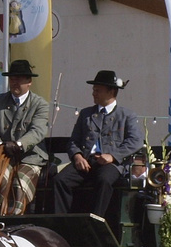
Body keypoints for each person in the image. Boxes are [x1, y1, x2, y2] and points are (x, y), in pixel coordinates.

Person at [52, 70, 145, 217]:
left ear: (111, 91)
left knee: (104, 179)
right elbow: (74, 141)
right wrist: (77, 156)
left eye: (98, 90)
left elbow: (136, 141)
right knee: (60, 180)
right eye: (94, 90)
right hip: (87, 161)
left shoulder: (127, 115)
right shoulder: (86, 114)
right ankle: (63, 220)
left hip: (111, 164)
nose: (93, 94)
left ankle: (97, 219)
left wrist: (112, 156)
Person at [0, 58, 50, 214]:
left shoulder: (39, 104)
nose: (14, 82)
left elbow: (37, 131)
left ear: (29, 81)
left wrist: (19, 144)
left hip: (29, 156)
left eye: (19, 79)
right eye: (12, 78)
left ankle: (15, 218)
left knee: (19, 185)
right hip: (2, 154)